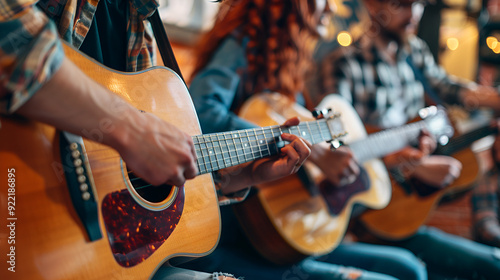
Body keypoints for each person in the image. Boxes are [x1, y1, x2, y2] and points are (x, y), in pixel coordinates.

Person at [0, 0, 312, 279]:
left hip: (87, 254)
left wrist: (239, 175)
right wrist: (130, 128)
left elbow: (139, 181)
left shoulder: (142, 23)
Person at [176, 0, 433, 279]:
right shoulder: (244, 40)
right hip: (239, 232)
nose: (333, 9)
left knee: (408, 269)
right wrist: (319, 155)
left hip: (284, 226)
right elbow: (203, 110)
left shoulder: (288, 62)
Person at [315, 0, 500, 278]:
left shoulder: (414, 51)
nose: (413, 13)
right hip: (369, 209)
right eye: (402, 4)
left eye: (418, 4)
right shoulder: (343, 62)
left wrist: (495, 100)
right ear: (372, 5)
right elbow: (335, 144)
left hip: (405, 206)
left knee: (492, 263)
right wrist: (399, 161)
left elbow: (449, 88)